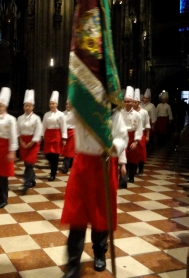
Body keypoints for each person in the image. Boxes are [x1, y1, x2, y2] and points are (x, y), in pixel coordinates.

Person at [61, 106, 128, 276]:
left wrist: (114, 147)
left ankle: (100, 253)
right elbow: (68, 119)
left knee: (101, 213)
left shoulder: (114, 112)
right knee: (77, 214)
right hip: (82, 163)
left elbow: (122, 136)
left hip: (103, 164)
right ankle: (73, 263)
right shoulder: (81, 104)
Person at [17, 89, 42, 195]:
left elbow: (38, 131)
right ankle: (32, 179)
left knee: (29, 164)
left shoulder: (36, 118)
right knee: (28, 164)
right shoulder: (19, 118)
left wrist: (32, 142)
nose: (27, 107)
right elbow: (17, 131)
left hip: (33, 143)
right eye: (26, 105)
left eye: (29, 106)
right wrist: (21, 141)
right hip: (23, 142)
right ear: (24, 106)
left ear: (33, 107)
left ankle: (26, 184)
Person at [42, 91, 67, 181]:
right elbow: (43, 125)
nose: (51, 105)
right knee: (48, 155)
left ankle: (53, 173)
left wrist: (64, 138)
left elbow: (63, 126)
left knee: (55, 156)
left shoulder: (61, 114)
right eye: (50, 104)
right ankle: (53, 168)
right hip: (48, 135)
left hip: (57, 135)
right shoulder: (46, 114)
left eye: (53, 103)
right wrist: (42, 135)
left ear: (56, 104)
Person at [120, 86, 143, 182]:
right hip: (122, 136)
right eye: (125, 101)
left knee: (132, 159)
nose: (127, 103)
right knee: (122, 158)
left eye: (129, 101)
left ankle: (132, 175)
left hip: (132, 137)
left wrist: (136, 141)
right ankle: (123, 179)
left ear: (132, 102)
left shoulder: (137, 115)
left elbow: (139, 128)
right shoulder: (120, 113)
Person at [133, 89, 151, 175]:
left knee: (142, 152)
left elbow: (147, 124)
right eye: (133, 102)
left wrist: (147, 136)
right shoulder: (131, 112)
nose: (134, 104)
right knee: (134, 152)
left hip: (142, 133)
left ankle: (141, 168)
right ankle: (133, 168)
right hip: (132, 133)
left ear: (139, 103)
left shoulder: (144, 112)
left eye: (136, 102)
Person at [61, 101, 75, 174]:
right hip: (64, 132)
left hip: (72, 132)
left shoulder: (76, 114)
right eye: (66, 104)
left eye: (69, 104)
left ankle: (65, 166)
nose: (68, 105)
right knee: (66, 149)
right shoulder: (62, 114)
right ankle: (70, 163)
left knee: (69, 150)